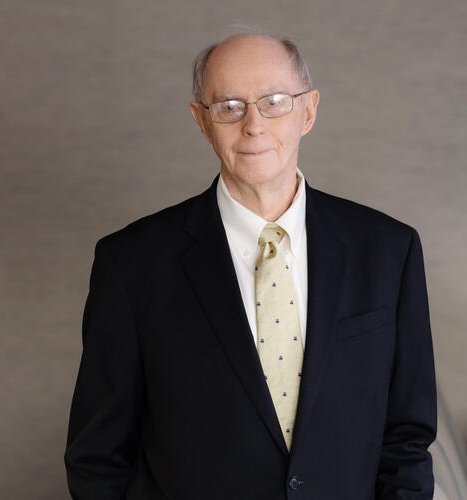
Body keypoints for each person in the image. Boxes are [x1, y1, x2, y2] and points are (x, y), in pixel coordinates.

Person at [64, 32, 437, 499]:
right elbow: (97, 458)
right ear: (202, 121)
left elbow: (407, 439)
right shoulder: (130, 264)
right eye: (230, 106)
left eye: (274, 102)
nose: (253, 125)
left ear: (308, 111)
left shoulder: (388, 251)